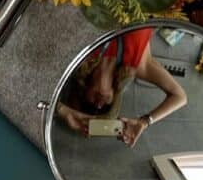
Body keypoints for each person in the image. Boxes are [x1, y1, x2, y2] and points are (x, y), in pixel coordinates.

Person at [56, 27, 188, 148]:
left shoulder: (77, 56)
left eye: (89, 105)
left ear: (81, 89)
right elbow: (180, 97)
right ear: (114, 97)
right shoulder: (140, 66)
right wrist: (144, 122)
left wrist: (63, 110)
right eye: (105, 107)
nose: (99, 105)